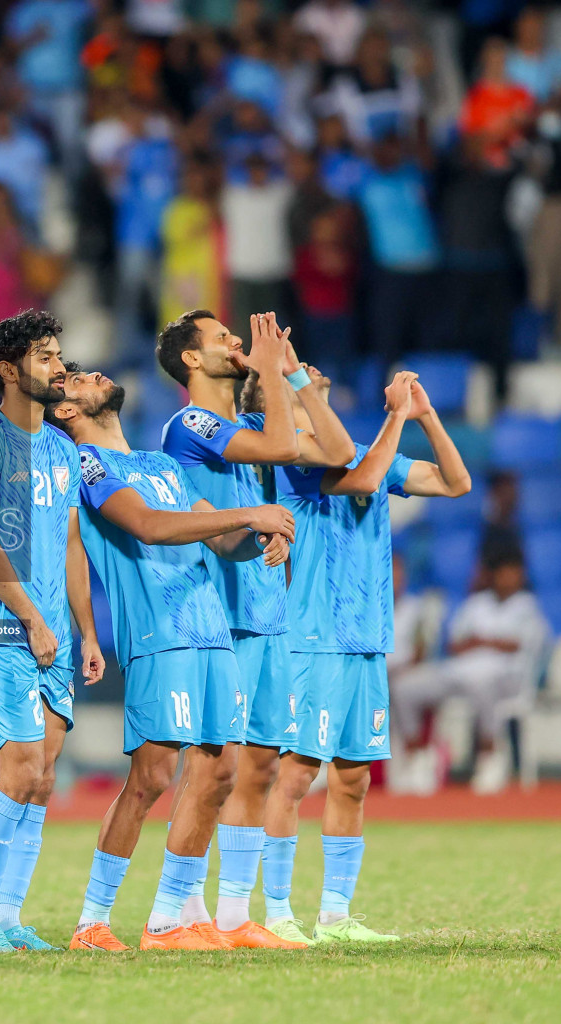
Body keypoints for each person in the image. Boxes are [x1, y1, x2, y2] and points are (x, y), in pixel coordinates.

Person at [43, 365, 294, 951]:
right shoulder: (88, 466)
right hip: (160, 634)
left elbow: (224, 542)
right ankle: (91, 921)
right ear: (65, 412)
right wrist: (245, 516)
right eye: (77, 380)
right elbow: (150, 527)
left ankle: (169, 921)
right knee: (152, 775)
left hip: (211, 632)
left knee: (221, 772)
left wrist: (263, 536)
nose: (93, 375)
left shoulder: (163, 466)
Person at [158, 310, 352, 946]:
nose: (236, 343)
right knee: (213, 768)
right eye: (222, 339)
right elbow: (274, 455)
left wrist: (293, 376)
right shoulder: (192, 424)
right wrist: (268, 367)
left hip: (267, 615)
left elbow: (339, 453)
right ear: (191, 360)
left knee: (260, 767)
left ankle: (235, 915)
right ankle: (177, 907)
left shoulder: (244, 425)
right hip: (217, 617)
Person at [274, 372, 471, 942]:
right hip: (312, 636)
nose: (316, 374)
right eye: (301, 373)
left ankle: (335, 916)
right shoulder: (292, 455)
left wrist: (425, 414)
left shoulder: (369, 450)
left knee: (354, 777)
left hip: (365, 637)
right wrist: (396, 416)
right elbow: (361, 481)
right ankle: (278, 913)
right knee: (296, 774)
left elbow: (455, 483)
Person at [0, 311, 105, 952]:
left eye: (58, 354)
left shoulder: (61, 447)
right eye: (46, 357)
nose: (60, 368)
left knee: (44, 777)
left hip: (54, 634)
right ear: (9, 370)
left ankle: (9, 916)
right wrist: (31, 617)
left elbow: (72, 543)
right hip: (1, 628)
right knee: (17, 770)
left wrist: (86, 632)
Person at [392, 548, 548, 796]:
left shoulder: (527, 606)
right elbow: (453, 644)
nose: (508, 579)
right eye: (503, 574)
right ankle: (417, 758)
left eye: (513, 574)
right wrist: (482, 643)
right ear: (493, 575)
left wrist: (482, 641)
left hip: (507, 677)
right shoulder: (476, 604)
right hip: (460, 672)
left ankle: (490, 757)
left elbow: (520, 644)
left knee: (482, 681)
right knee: (405, 688)